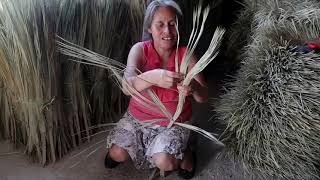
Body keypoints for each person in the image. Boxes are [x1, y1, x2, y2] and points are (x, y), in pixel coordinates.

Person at [105, 0, 208, 179]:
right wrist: (152, 77)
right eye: (160, 25)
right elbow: (126, 87)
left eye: (172, 24)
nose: (167, 31)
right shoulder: (139, 50)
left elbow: (203, 96)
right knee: (117, 154)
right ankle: (150, 147)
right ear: (149, 28)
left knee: (165, 161)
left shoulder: (186, 54)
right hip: (138, 118)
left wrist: (194, 88)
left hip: (173, 123)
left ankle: (186, 152)